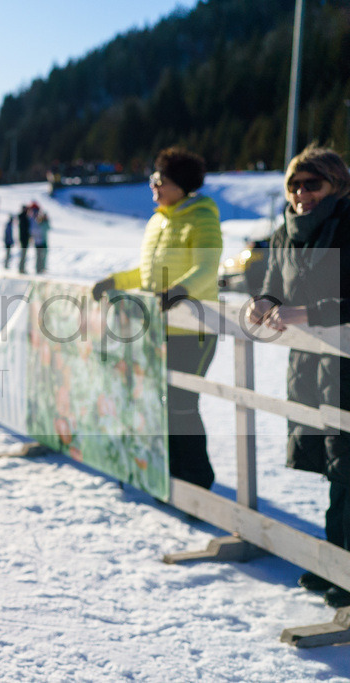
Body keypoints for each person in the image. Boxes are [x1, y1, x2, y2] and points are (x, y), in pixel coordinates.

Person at [244, 145, 350, 608]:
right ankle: (335, 560)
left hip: (345, 361)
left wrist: (310, 313)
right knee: (334, 465)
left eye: (313, 184)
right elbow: (271, 278)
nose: (302, 194)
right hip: (312, 366)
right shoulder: (287, 233)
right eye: (294, 185)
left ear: (336, 186)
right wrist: (264, 298)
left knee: (347, 465)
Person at [91, 147, 222, 491]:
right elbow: (148, 275)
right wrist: (115, 282)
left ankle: (197, 480)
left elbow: (208, 267)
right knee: (159, 399)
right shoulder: (158, 219)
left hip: (194, 330)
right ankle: (171, 473)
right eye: (153, 179)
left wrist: (181, 290)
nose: (154, 186)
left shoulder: (202, 217)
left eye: (159, 180)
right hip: (157, 329)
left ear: (179, 184)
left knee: (181, 403)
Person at [32, 210, 51, 274]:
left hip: (43, 242)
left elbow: (48, 228)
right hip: (39, 242)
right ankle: (38, 269)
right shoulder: (38, 225)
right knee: (39, 256)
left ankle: (42, 268)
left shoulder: (44, 224)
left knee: (43, 256)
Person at [16, 205, 31, 274]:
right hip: (24, 239)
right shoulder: (24, 218)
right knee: (23, 254)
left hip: (23, 238)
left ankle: (21, 268)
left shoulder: (23, 217)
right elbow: (25, 229)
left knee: (23, 254)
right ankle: (21, 268)